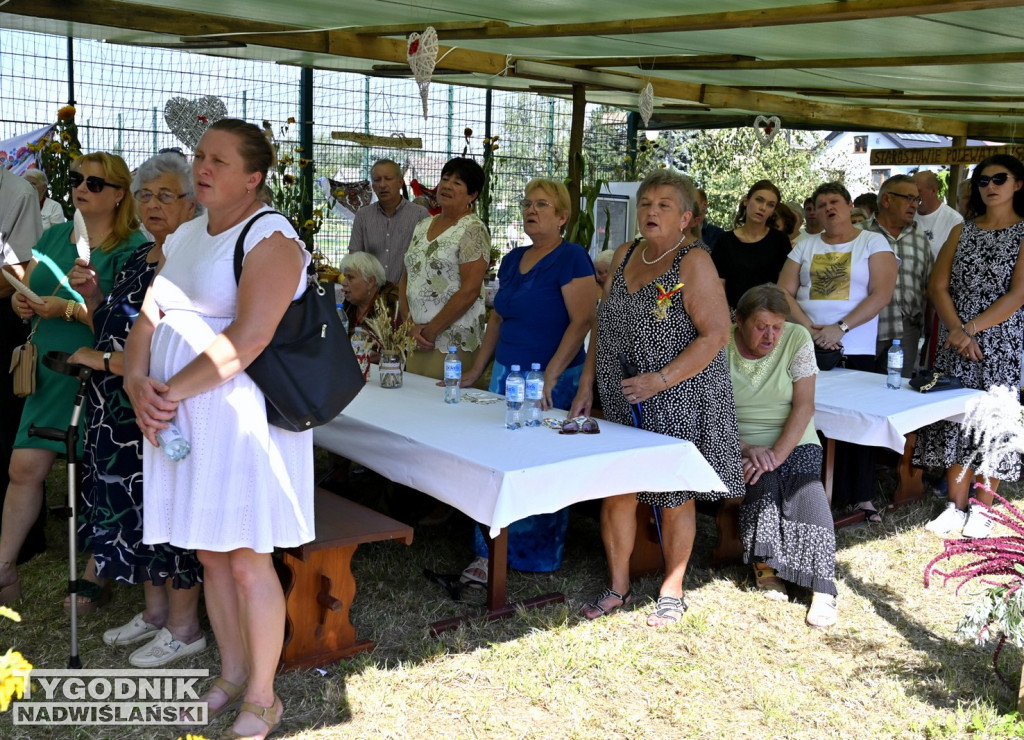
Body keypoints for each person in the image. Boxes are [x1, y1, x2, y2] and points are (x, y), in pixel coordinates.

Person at [125, 119, 313, 738]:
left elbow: (250, 337)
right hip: (183, 419)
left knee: (247, 560)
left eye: (219, 161)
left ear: (254, 177)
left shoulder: (271, 235)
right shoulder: (184, 236)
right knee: (211, 552)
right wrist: (135, 381)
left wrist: (168, 392)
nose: (202, 168)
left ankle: (263, 696)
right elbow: (149, 318)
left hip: (241, 420)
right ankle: (231, 674)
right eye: (200, 156)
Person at [570, 169, 745, 627]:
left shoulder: (694, 262)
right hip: (620, 393)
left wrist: (660, 379)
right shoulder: (626, 253)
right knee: (619, 491)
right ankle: (618, 586)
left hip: (677, 395)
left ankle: (672, 589)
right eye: (646, 202)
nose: (651, 210)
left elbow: (717, 334)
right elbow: (602, 325)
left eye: (664, 204)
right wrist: (586, 385)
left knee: (672, 494)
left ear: (686, 217)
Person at [67, 152, 205, 666]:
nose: (153, 204)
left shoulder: (193, 265)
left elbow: (172, 352)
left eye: (166, 195)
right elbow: (113, 327)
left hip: (159, 413)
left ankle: (185, 626)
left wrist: (101, 359)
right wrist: (95, 297)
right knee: (140, 521)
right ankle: (153, 615)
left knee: (170, 519)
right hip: (117, 413)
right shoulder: (138, 260)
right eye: (146, 194)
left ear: (193, 204)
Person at [0, 152, 146, 606]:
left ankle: (95, 570)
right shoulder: (56, 234)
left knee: (98, 475)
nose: (82, 188)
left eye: (95, 183)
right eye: (77, 179)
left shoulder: (133, 248)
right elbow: (26, 285)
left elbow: (128, 325)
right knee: (23, 468)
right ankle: (4, 567)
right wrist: (20, 304)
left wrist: (63, 307)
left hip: (98, 374)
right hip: (47, 369)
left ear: (120, 194)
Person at [458, 178, 595, 580]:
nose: (531, 211)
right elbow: (498, 316)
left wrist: (551, 374)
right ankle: (488, 552)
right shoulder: (512, 258)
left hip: (552, 379)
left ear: (562, 217)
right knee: (496, 462)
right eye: (527, 204)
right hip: (507, 375)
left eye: (542, 205)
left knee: (539, 465)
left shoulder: (572, 258)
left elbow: (583, 320)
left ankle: (534, 556)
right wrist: (477, 371)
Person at [916, 154, 1024, 539]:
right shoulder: (962, 231)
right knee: (955, 422)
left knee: (994, 423)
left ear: (1018, 184)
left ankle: (983, 509)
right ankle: (954, 506)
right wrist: (958, 331)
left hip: (1000, 341)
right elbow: (936, 286)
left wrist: (971, 329)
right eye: (983, 180)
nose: (990, 186)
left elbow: (1019, 294)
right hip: (956, 338)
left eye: (1000, 179)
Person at [778, 181, 897, 521]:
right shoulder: (804, 245)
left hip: (854, 345)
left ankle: (860, 496)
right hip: (805, 342)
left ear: (848, 206)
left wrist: (839, 328)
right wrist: (808, 328)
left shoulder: (872, 242)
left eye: (835, 201)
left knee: (857, 422)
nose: (828, 207)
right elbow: (784, 291)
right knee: (809, 417)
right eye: (821, 203)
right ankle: (808, 492)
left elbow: (881, 294)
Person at [728, 284, 838, 628]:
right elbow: (712, 411)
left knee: (807, 489)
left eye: (777, 327)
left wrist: (776, 454)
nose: (771, 335)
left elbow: (805, 406)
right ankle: (768, 568)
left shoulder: (797, 338)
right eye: (761, 326)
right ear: (739, 321)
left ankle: (823, 588)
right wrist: (748, 450)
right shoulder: (719, 342)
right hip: (739, 441)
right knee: (761, 482)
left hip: (794, 437)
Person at [399, 157, 489, 380]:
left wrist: (430, 331)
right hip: (416, 337)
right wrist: (410, 325)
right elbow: (407, 276)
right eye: (445, 178)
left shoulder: (473, 230)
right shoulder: (423, 225)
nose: (447, 185)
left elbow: (470, 290)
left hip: (450, 342)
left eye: (458, 183)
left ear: (472, 195)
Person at [0, 166, 44, 567]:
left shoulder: (17, 193)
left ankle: (24, 544)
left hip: (6, 316)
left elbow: (19, 273)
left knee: (9, 424)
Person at [862, 174, 933, 377]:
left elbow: (930, 285)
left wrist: (928, 331)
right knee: (857, 387)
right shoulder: (859, 234)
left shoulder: (920, 237)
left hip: (906, 331)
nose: (914, 205)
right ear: (886, 200)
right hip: (864, 326)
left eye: (916, 199)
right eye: (908, 198)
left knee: (896, 392)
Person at [348, 158, 429, 285]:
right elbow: (354, 258)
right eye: (377, 180)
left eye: (388, 179)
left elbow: (427, 258)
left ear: (400, 182)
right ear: (372, 185)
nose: (382, 185)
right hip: (371, 293)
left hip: (407, 295)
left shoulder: (420, 215)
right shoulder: (363, 215)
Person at [711, 179, 790, 308]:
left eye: (770, 205)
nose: (763, 208)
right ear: (746, 201)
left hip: (769, 313)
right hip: (733, 315)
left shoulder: (780, 240)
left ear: (773, 211)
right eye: (759, 200)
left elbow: (784, 287)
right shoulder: (725, 241)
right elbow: (719, 286)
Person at [339, 251, 399, 339]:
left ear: (370, 282)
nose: (343, 282)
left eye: (350, 277)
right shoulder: (350, 303)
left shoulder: (390, 302)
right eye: (345, 277)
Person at [915, 170, 964, 259]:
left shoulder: (955, 221)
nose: (914, 195)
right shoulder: (907, 214)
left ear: (933, 191)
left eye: (918, 191)